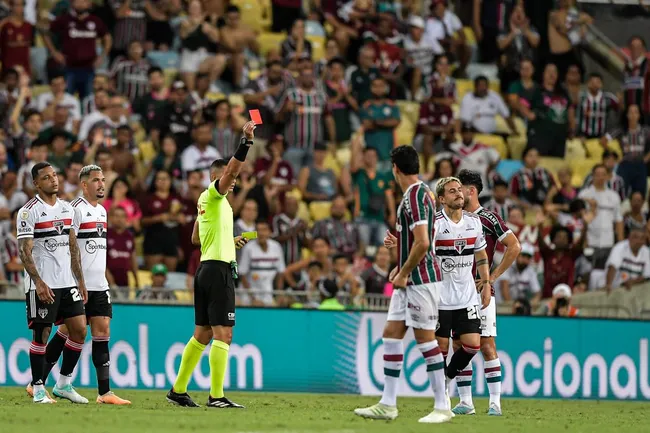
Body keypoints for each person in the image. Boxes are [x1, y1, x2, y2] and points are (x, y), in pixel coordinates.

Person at [354, 146, 452, 424]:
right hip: (410, 278)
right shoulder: (420, 194)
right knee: (391, 334)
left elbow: (423, 243)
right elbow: (417, 240)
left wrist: (404, 272)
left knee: (424, 340)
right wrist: (400, 260)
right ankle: (388, 403)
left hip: (421, 280)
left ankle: (442, 406)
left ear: (395, 168)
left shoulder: (416, 195)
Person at [166, 121, 257, 408]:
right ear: (217, 176)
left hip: (207, 268)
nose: (234, 181)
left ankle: (178, 390)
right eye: (230, 177)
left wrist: (229, 241)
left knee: (202, 334)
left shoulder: (209, 203)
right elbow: (231, 170)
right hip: (217, 271)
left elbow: (196, 237)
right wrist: (246, 143)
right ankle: (216, 396)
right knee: (224, 334)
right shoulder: (216, 194)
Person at [33, 165, 130, 404]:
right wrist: (76, 281)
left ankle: (104, 393)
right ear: (84, 185)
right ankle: (39, 382)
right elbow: (70, 247)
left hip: (100, 283)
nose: (101, 184)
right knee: (68, 330)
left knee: (102, 331)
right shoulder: (74, 210)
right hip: (79, 283)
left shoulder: (103, 212)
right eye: (96, 180)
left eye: (103, 180)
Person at [452, 169, 521, 416]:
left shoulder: (489, 219)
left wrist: (492, 277)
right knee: (459, 344)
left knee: (486, 344)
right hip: (456, 292)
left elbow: (514, 246)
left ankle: (495, 403)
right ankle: (466, 402)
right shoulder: (453, 219)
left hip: (480, 291)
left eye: (460, 189)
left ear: (471, 191)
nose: (457, 193)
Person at [18, 162, 88, 404]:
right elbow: (25, 252)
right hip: (43, 283)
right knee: (42, 334)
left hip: (67, 282)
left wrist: (80, 280)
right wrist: (37, 282)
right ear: (37, 184)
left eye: (55, 175)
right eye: (46, 178)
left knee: (80, 329)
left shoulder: (68, 209)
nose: (53, 180)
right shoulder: (29, 212)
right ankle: (37, 388)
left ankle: (64, 383)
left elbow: (73, 247)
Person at [432, 176, 492, 415]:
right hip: (440, 298)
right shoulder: (435, 224)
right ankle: (442, 397)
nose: (459, 194)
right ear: (442, 198)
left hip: (467, 296)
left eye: (459, 190)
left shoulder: (474, 222)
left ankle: (446, 379)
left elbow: (481, 256)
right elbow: (420, 250)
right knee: (441, 348)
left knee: (472, 345)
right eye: (452, 191)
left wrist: (486, 283)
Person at [238, 220, 286, 306]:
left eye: (264, 230)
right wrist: (253, 299)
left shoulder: (276, 247)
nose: (261, 233)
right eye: (258, 230)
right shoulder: (248, 248)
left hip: (268, 293)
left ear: (270, 232)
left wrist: (279, 294)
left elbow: (280, 273)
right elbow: (242, 274)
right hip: (249, 295)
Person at [603, 227, 650, 293]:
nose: (639, 241)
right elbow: (612, 267)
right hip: (616, 288)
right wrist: (608, 284)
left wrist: (633, 282)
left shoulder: (646, 252)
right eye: (635, 237)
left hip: (635, 290)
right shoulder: (620, 247)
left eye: (642, 238)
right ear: (629, 238)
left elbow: (647, 276)